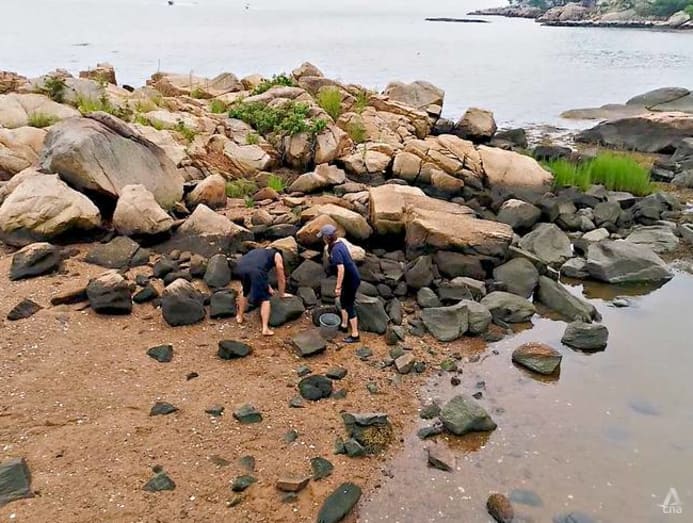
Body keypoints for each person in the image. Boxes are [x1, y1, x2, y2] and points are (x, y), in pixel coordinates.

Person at [319, 224, 361, 343]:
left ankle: (355, 335)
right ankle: (344, 325)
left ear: (327, 238)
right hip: (350, 278)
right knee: (343, 301)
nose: (322, 239)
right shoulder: (339, 243)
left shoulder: (336, 250)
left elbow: (341, 269)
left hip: (351, 279)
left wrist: (338, 287)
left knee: (349, 305)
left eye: (323, 237)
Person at [234, 247, 287, 336]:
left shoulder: (260, 251)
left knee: (245, 289)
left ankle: (239, 316)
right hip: (255, 271)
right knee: (265, 298)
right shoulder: (277, 254)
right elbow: (280, 270)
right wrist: (282, 293)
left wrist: (268, 286)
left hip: (241, 266)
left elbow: (261, 269)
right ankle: (265, 329)